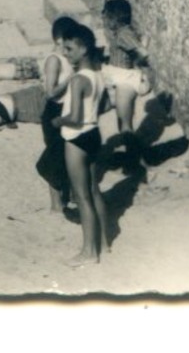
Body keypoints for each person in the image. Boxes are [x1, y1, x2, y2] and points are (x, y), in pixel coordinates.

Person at [55, 23, 105, 267]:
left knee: (81, 197)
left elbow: (74, 117)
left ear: (84, 49)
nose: (66, 53)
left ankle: (89, 252)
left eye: (70, 48)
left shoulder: (77, 81)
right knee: (95, 192)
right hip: (94, 133)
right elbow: (103, 107)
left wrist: (58, 120)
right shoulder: (97, 76)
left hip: (76, 138)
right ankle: (103, 243)